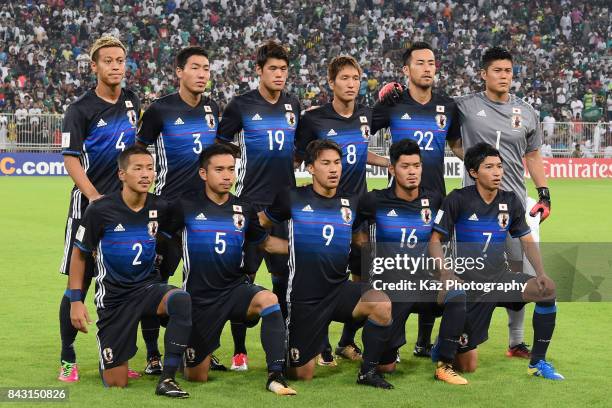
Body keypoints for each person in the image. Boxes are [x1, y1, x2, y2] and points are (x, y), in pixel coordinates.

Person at [162, 144, 296, 395]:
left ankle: (276, 374)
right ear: (203, 173)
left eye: (231, 170)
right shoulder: (184, 206)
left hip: (234, 291)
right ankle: (189, 354)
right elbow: (163, 238)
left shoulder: (244, 208)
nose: (227, 176)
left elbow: (265, 242)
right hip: (199, 299)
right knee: (196, 376)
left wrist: (305, 248)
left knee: (269, 299)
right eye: (220, 170)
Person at [259, 139, 394, 389]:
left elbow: (356, 236)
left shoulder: (351, 202)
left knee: (381, 303)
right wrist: (287, 246)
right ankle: (302, 348)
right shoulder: (292, 197)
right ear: (310, 168)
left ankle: (368, 372)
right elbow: (260, 225)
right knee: (302, 374)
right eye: (325, 163)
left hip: (339, 290)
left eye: (337, 163)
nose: (333, 169)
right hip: (304, 297)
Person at [430, 143, 564, 380]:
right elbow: (435, 240)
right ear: (473, 172)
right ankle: (442, 344)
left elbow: (526, 239)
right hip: (470, 287)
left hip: (500, 280)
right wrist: (445, 273)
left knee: (547, 290)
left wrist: (541, 273)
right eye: (489, 167)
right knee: (468, 366)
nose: (497, 172)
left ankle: (538, 362)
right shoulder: (458, 199)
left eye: (500, 166)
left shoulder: (510, 201)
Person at [69, 146, 193, 397]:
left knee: (181, 298)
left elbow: (170, 241)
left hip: (147, 289)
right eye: (138, 168)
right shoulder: (100, 210)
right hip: (113, 299)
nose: (146, 174)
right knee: (116, 382)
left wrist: (162, 273)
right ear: (122, 174)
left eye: (150, 168)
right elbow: (80, 254)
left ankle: (167, 378)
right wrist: (75, 301)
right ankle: (114, 352)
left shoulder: (161, 206)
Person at [453, 47, 551, 358]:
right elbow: (450, 139)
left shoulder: (526, 111)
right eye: (497, 70)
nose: (504, 76)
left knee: (517, 269)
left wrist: (544, 191)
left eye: (508, 71)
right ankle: (460, 337)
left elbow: (533, 155)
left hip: (514, 205)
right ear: (483, 74)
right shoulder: (465, 106)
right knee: (469, 271)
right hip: (473, 207)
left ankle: (516, 341)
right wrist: (475, 164)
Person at [136, 46, 226, 374]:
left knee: (204, 283)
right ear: (179, 71)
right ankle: (151, 355)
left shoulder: (213, 109)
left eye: (206, 68)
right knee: (155, 279)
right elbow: (138, 151)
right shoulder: (160, 110)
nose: (202, 74)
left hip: (204, 212)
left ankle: (201, 348)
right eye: (196, 68)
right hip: (168, 211)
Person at [294, 55, 388, 365]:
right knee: (324, 279)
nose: (351, 84)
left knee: (363, 280)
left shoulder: (365, 115)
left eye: (356, 79)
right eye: (344, 79)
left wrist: (387, 162)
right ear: (331, 83)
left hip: (358, 212)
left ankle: (346, 341)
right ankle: (319, 344)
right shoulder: (314, 120)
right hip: (325, 213)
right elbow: (301, 158)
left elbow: (358, 152)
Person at [57, 36, 141, 382]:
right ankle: (67, 358)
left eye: (120, 60)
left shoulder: (133, 100)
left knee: (124, 282)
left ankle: (118, 356)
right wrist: (94, 197)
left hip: (124, 209)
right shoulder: (80, 110)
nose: (116, 66)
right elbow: (70, 159)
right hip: (90, 208)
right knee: (80, 283)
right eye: (108, 61)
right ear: (95, 66)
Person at [374, 41, 462, 359]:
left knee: (432, 271)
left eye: (432, 62)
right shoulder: (392, 105)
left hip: (436, 200)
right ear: (406, 69)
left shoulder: (447, 106)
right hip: (396, 205)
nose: (427, 68)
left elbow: (456, 145)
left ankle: (424, 341)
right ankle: (388, 341)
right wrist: (385, 163)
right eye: (420, 62)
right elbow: (357, 133)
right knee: (393, 272)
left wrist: (483, 164)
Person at [354, 139, 468, 385]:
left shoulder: (434, 199)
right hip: (390, 284)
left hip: (422, 282)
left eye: (416, 165)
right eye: (405, 166)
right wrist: (366, 252)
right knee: (387, 367)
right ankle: (370, 345)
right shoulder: (374, 200)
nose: (412, 171)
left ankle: (443, 362)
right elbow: (352, 230)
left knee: (457, 291)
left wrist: (444, 272)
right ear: (392, 170)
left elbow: (437, 239)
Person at [216, 40, 301, 370]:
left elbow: (303, 145)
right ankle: (239, 350)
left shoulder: (292, 104)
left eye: (283, 69)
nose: (279, 75)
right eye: (273, 69)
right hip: (250, 204)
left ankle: (285, 341)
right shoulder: (241, 105)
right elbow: (221, 144)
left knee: (284, 278)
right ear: (259, 71)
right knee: (243, 277)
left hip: (285, 206)